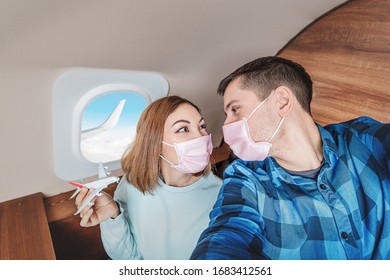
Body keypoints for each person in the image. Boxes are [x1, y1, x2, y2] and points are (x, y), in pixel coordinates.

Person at [191, 56, 390, 260]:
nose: (226, 126)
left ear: (282, 101)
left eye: (235, 110)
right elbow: (227, 236)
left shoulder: (364, 138)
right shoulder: (245, 179)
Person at [75, 95, 221, 260]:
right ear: (155, 142)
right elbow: (127, 258)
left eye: (202, 126)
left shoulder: (222, 195)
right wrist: (113, 216)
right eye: (183, 129)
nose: (202, 137)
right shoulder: (131, 184)